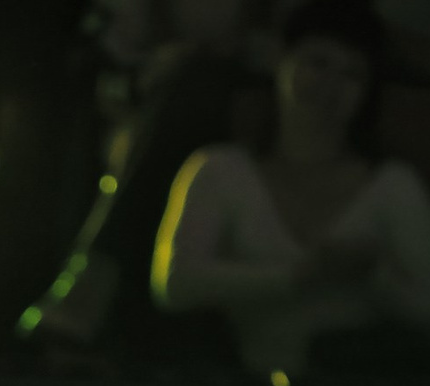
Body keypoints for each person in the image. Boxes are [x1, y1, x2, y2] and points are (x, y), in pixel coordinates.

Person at [152, 0, 430, 380]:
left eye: (353, 75)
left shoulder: (393, 186)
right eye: (318, 63)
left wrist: (374, 277)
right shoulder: (219, 170)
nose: (331, 85)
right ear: (281, 62)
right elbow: (175, 283)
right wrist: (297, 277)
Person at [23, 0, 277, 359]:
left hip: (267, 111)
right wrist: (151, 76)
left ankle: (94, 273)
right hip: (158, 112)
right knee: (183, 97)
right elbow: (100, 76)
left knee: (195, 88)